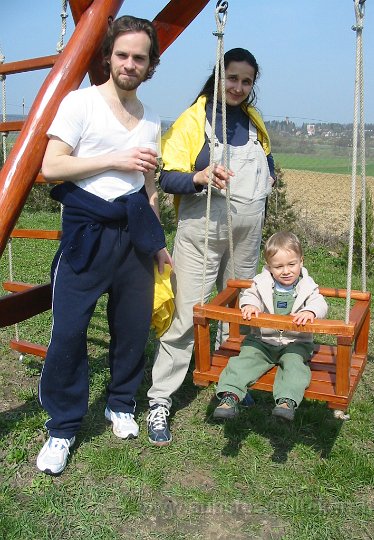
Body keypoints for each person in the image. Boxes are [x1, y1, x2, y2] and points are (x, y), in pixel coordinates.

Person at [36, 15, 171, 475]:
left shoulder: (151, 118)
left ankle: (120, 403)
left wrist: (157, 242)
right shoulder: (81, 103)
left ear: (150, 64)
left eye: (140, 58)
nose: (130, 64)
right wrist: (115, 158)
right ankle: (62, 427)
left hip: (134, 234)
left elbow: (149, 188)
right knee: (69, 331)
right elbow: (52, 167)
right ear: (109, 57)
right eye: (123, 55)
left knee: (132, 328)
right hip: (87, 230)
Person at [146, 48, 276, 446]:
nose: (238, 87)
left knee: (238, 312)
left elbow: (268, 164)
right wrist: (200, 177)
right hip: (202, 232)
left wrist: (268, 179)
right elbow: (166, 177)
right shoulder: (193, 120)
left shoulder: (254, 123)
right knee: (189, 313)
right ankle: (160, 398)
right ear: (219, 76)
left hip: (247, 236)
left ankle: (230, 382)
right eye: (232, 78)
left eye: (246, 81)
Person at [213, 231, 328, 422]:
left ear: (301, 261)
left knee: (295, 367)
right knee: (242, 362)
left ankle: (286, 401)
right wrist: (250, 305)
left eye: (292, 264)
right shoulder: (262, 283)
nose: (286, 271)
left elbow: (320, 303)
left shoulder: (308, 286)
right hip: (262, 340)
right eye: (279, 266)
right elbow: (250, 295)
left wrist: (311, 311)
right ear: (269, 266)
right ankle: (229, 396)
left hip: (295, 343)